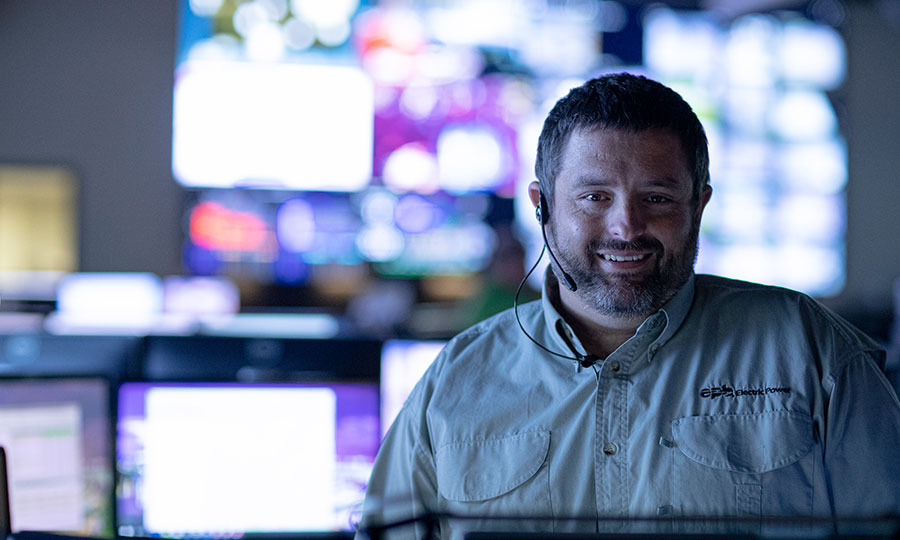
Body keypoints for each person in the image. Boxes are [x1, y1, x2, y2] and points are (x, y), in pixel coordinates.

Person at [355, 73, 900, 539]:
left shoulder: (814, 352)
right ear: (542, 207)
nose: (626, 227)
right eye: (594, 197)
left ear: (698, 204)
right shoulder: (457, 377)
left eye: (657, 198)